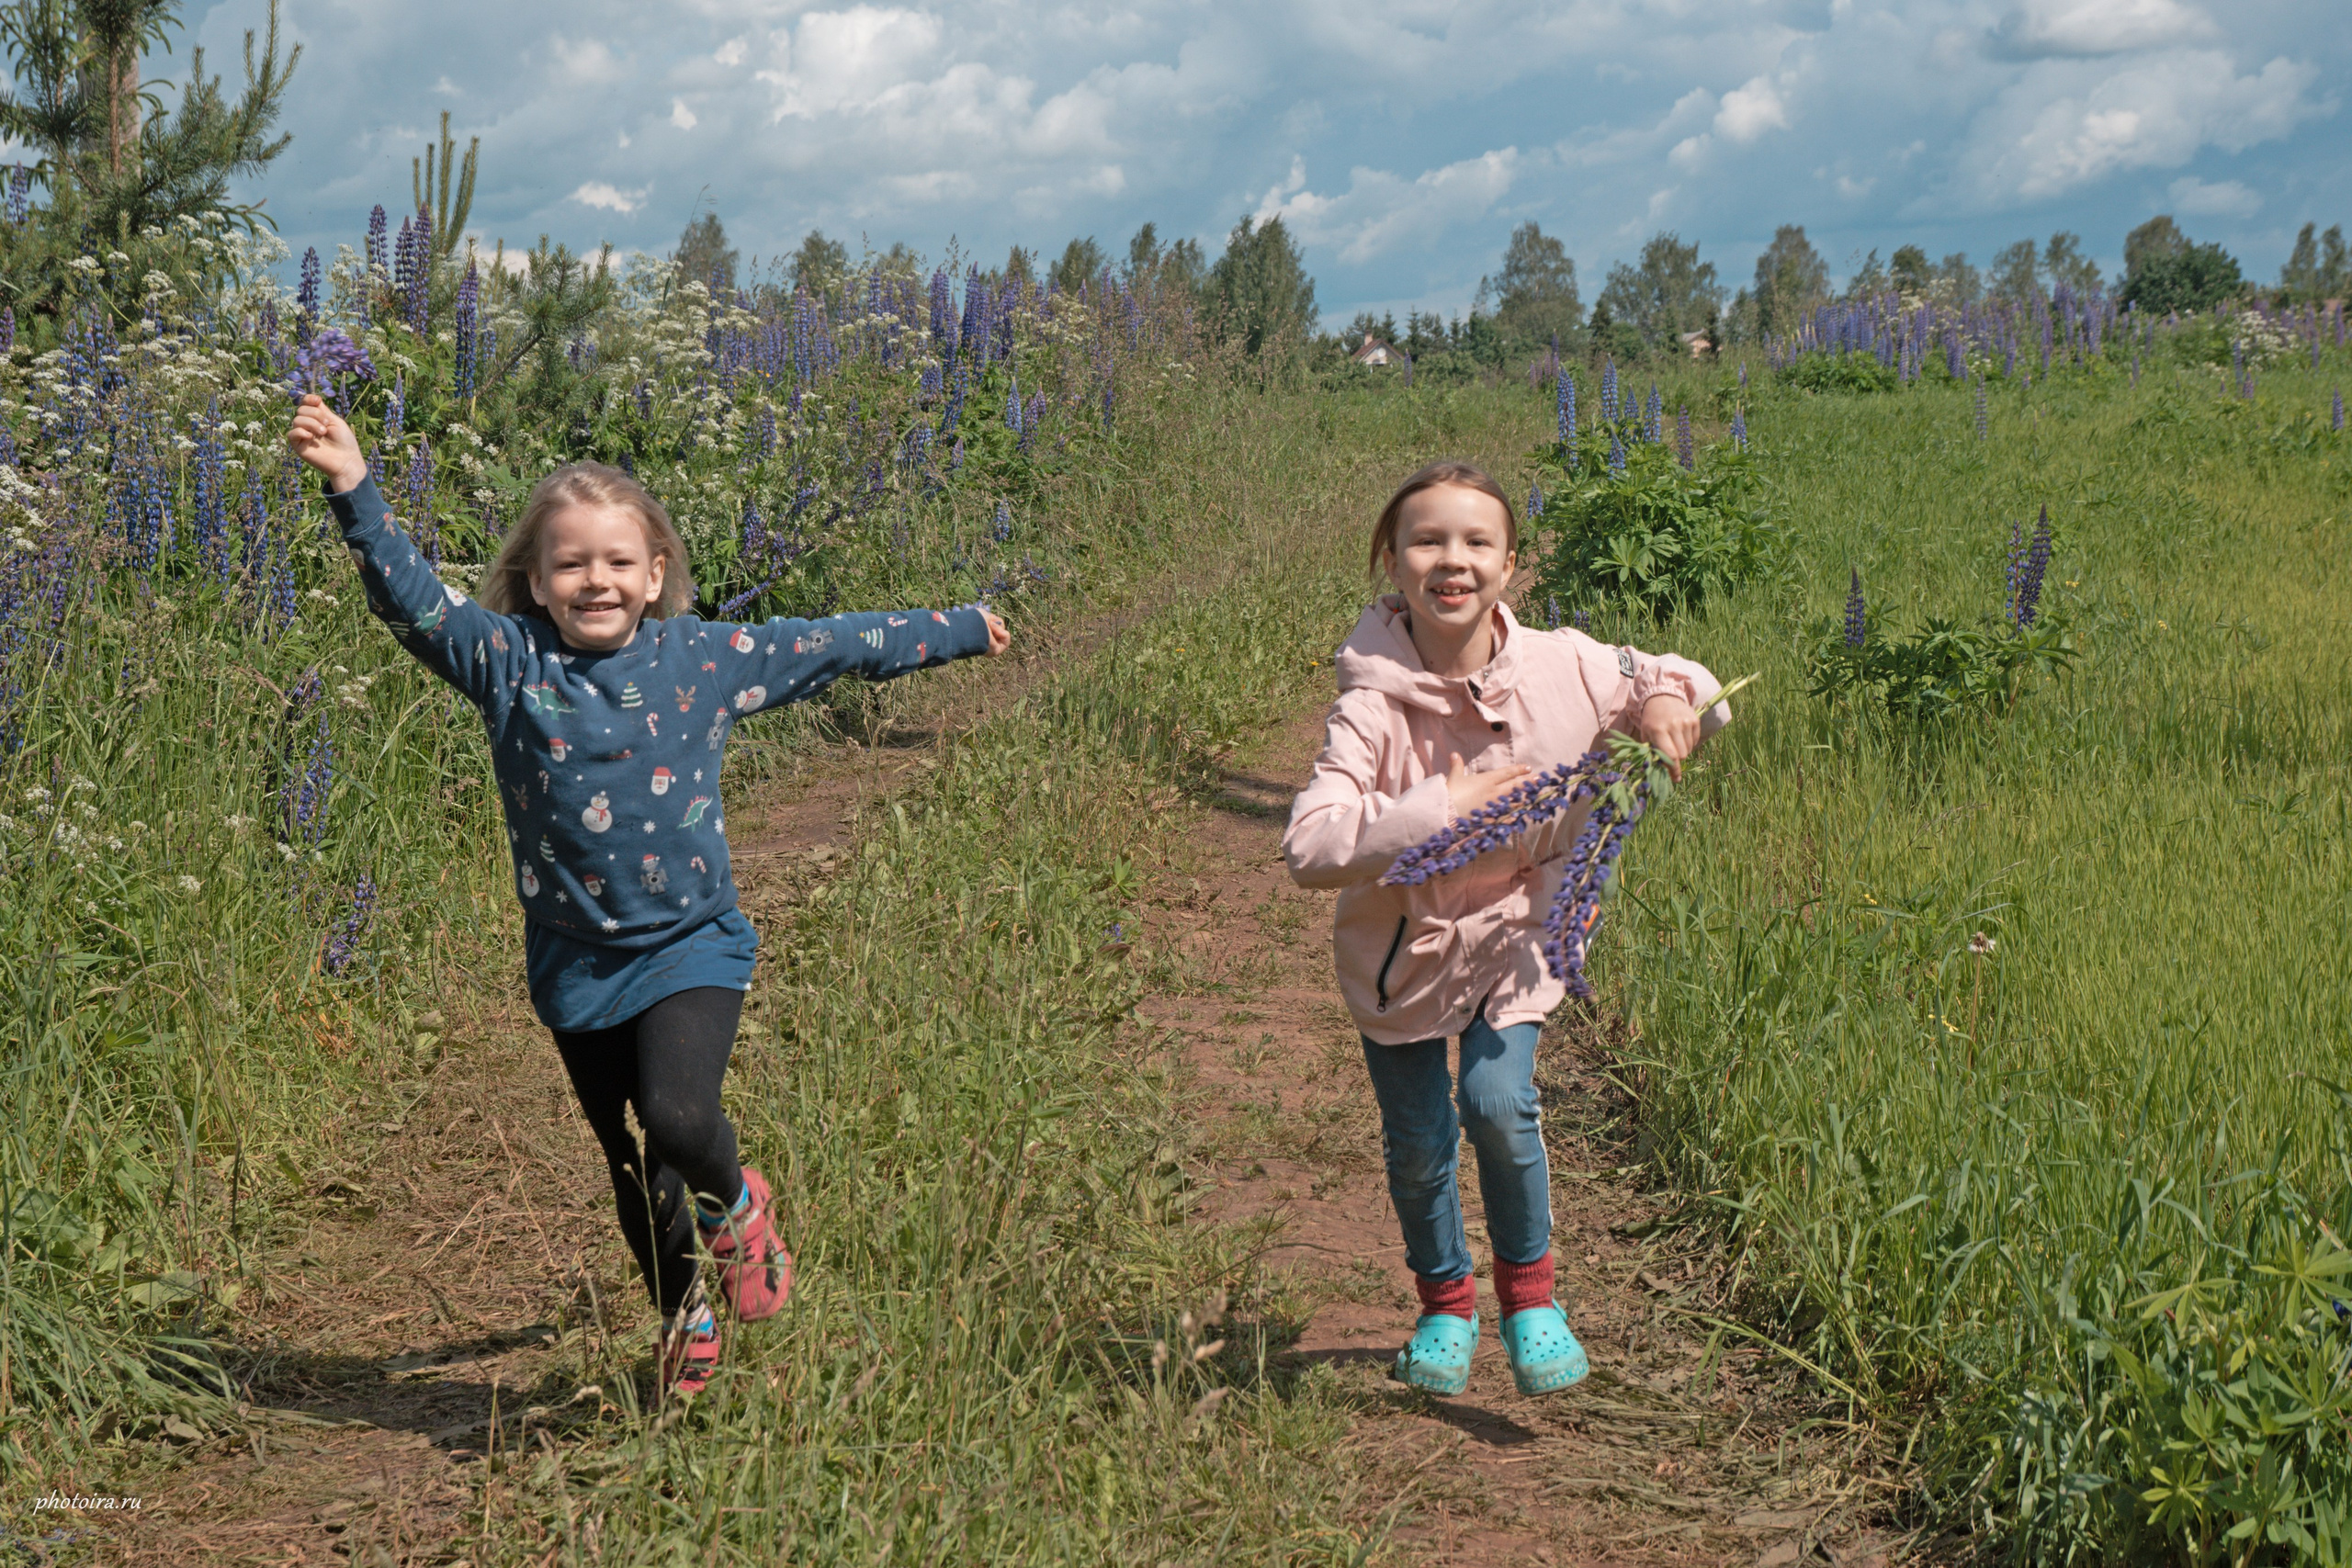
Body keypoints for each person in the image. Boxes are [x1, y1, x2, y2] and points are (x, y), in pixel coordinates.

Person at [287, 394, 1009, 1398]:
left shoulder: (699, 659)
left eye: (619, 561)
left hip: (690, 944)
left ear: (656, 575)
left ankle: (737, 1204)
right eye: (572, 563)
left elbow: (828, 644)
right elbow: (413, 603)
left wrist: (958, 627)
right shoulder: (506, 663)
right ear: (534, 581)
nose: (597, 580)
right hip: (574, 960)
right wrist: (354, 486)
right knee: (631, 1163)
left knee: (675, 1117)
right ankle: (681, 1313)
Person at [1282, 461, 1728, 1397]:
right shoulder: (1370, 701)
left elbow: (1679, 681)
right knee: (1419, 1143)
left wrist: (1662, 702)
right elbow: (1311, 843)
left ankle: (1532, 1300)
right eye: (1427, 540)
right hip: (1403, 955)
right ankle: (1446, 1305)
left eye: (1476, 541)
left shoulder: (1563, 660)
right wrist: (1440, 805)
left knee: (1495, 1101)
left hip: (1525, 932)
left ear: (1510, 564)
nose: (1453, 559)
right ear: (1393, 562)